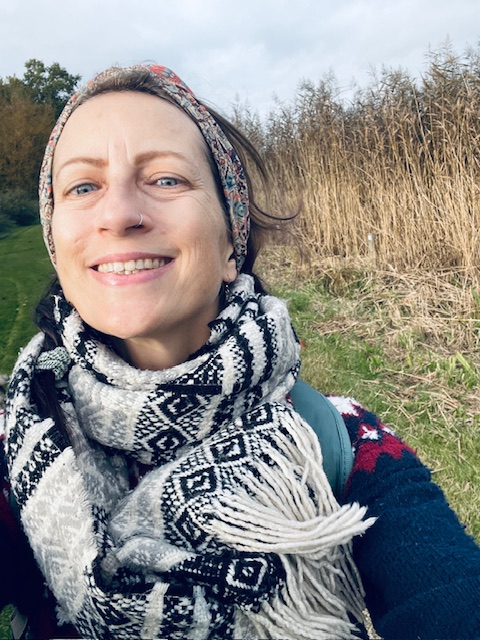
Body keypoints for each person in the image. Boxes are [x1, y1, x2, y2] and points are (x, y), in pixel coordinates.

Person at [0, 64, 479, 640]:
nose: (119, 214)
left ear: (232, 239)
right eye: (83, 187)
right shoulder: (19, 444)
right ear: (57, 246)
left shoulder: (337, 443)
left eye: (166, 179)